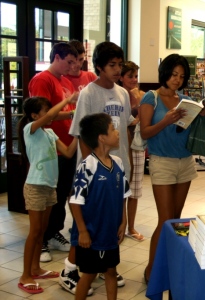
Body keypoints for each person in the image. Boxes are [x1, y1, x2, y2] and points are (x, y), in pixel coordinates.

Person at [140, 53, 205, 283]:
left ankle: (167, 267)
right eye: (173, 74)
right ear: (165, 73)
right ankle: (151, 271)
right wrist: (166, 120)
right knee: (165, 220)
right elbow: (144, 132)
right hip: (162, 161)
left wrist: (201, 113)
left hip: (185, 161)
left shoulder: (184, 99)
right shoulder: (151, 98)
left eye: (181, 76)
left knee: (176, 220)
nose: (177, 79)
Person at [69, 41, 132, 288]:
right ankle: (76, 268)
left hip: (118, 164)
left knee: (113, 220)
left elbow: (124, 129)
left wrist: (127, 164)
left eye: (120, 65)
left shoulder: (123, 93)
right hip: (95, 170)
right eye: (112, 65)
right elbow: (82, 134)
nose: (117, 70)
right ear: (99, 67)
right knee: (90, 221)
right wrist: (91, 166)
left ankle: (107, 265)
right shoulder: (89, 93)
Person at [17, 96, 78, 294]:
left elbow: (68, 153)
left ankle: (35, 269)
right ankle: (25, 275)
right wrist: (69, 100)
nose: (50, 115)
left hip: (50, 186)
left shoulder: (50, 133)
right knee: (34, 231)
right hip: (35, 186)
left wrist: (79, 132)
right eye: (45, 111)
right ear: (35, 116)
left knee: (42, 230)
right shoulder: (30, 130)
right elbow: (53, 115)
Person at [69, 113, 130, 300]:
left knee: (111, 271)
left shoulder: (118, 163)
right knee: (89, 274)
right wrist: (82, 231)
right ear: (102, 137)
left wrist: (124, 220)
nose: (118, 132)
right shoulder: (88, 165)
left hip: (109, 232)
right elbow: (75, 201)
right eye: (113, 128)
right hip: (91, 233)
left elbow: (124, 195)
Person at [28, 42, 79, 263]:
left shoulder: (65, 81)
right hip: (49, 148)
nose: (72, 66)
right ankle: (43, 241)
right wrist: (71, 114)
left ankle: (54, 231)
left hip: (65, 144)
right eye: (69, 62)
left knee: (62, 194)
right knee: (50, 197)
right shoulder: (42, 80)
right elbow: (43, 116)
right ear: (56, 57)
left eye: (75, 62)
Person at [59, 39, 98, 296]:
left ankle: (93, 265)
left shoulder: (93, 80)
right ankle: (69, 269)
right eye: (71, 60)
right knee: (82, 218)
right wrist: (89, 162)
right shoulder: (84, 93)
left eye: (80, 58)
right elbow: (81, 130)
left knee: (99, 219)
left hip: (99, 159)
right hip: (78, 154)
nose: (77, 65)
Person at [118, 61, 145, 242]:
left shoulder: (141, 94)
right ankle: (120, 224)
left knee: (135, 188)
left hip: (137, 144)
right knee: (121, 188)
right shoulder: (119, 95)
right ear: (121, 77)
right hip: (120, 145)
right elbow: (127, 121)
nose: (134, 79)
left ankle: (131, 226)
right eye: (130, 76)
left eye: (136, 76)